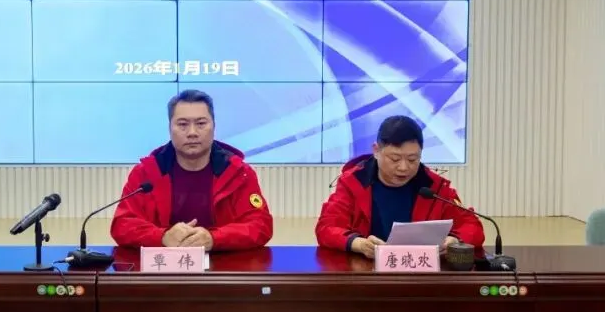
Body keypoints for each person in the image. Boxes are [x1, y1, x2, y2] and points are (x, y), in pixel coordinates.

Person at [110, 89, 273, 251]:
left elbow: (260, 225)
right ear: (170, 128)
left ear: (214, 126)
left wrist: (214, 238)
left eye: (201, 124)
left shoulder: (238, 172)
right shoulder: (146, 173)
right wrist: (162, 236)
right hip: (161, 265)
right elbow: (122, 225)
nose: (192, 133)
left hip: (222, 264)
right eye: (182, 124)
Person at [315, 115, 484, 257]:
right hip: (366, 272)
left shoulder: (434, 187)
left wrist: (454, 240)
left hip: (421, 274)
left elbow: (472, 227)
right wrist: (358, 244)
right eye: (395, 159)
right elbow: (326, 228)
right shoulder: (353, 182)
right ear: (376, 150)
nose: (403, 167)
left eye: (412, 159)